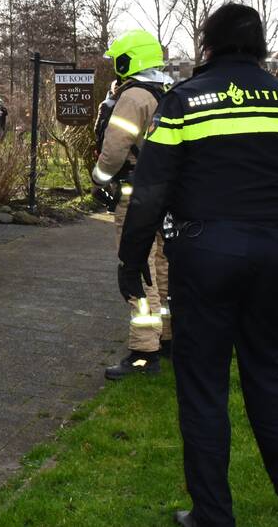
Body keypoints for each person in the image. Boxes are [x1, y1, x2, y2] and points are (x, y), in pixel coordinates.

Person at [118, 3, 278, 527]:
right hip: (277, 249)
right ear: (258, 45)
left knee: (204, 383)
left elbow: (150, 191)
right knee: (269, 372)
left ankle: (212, 513)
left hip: (207, 254)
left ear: (207, 46)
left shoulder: (185, 103)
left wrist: (130, 256)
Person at [93, 29, 173, 380]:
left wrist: (98, 177)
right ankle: (168, 339)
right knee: (164, 269)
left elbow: (114, 150)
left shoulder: (133, 97)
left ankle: (144, 353)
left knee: (138, 272)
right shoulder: (166, 94)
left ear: (129, 61)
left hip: (136, 197)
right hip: (168, 198)